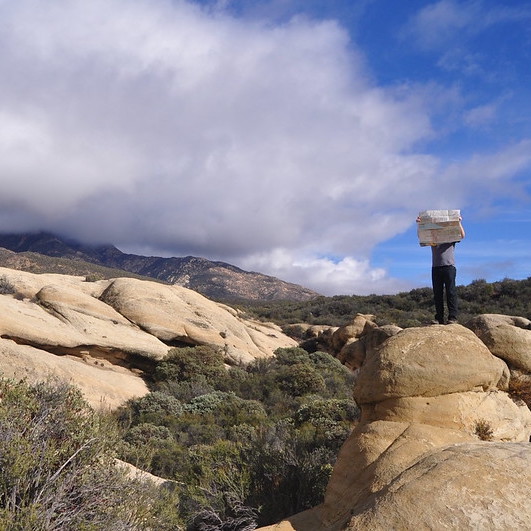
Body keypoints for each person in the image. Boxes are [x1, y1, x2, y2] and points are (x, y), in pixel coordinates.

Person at [417, 216, 465, 324]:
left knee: (451, 292)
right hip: (436, 267)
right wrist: (420, 224)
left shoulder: (451, 238)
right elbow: (422, 236)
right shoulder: (433, 239)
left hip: (449, 267)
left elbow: (462, 235)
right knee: (437, 293)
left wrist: (458, 222)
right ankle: (439, 318)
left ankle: (453, 317)